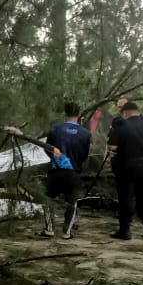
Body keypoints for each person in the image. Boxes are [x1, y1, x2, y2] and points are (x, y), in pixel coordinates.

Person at [108, 101, 143, 240]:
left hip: (126, 165)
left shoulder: (121, 125)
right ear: (137, 112)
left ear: (125, 113)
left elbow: (112, 147)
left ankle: (125, 230)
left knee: (126, 197)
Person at [40, 102, 92, 239]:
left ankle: (49, 229)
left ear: (65, 113)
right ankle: (66, 232)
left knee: (48, 199)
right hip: (73, 171)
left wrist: (54, 159)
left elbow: (47, 147)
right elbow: (85, 154)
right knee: (72, 202)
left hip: (55, 170)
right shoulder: (85, 134)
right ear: (79, 114)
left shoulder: (55, 128)